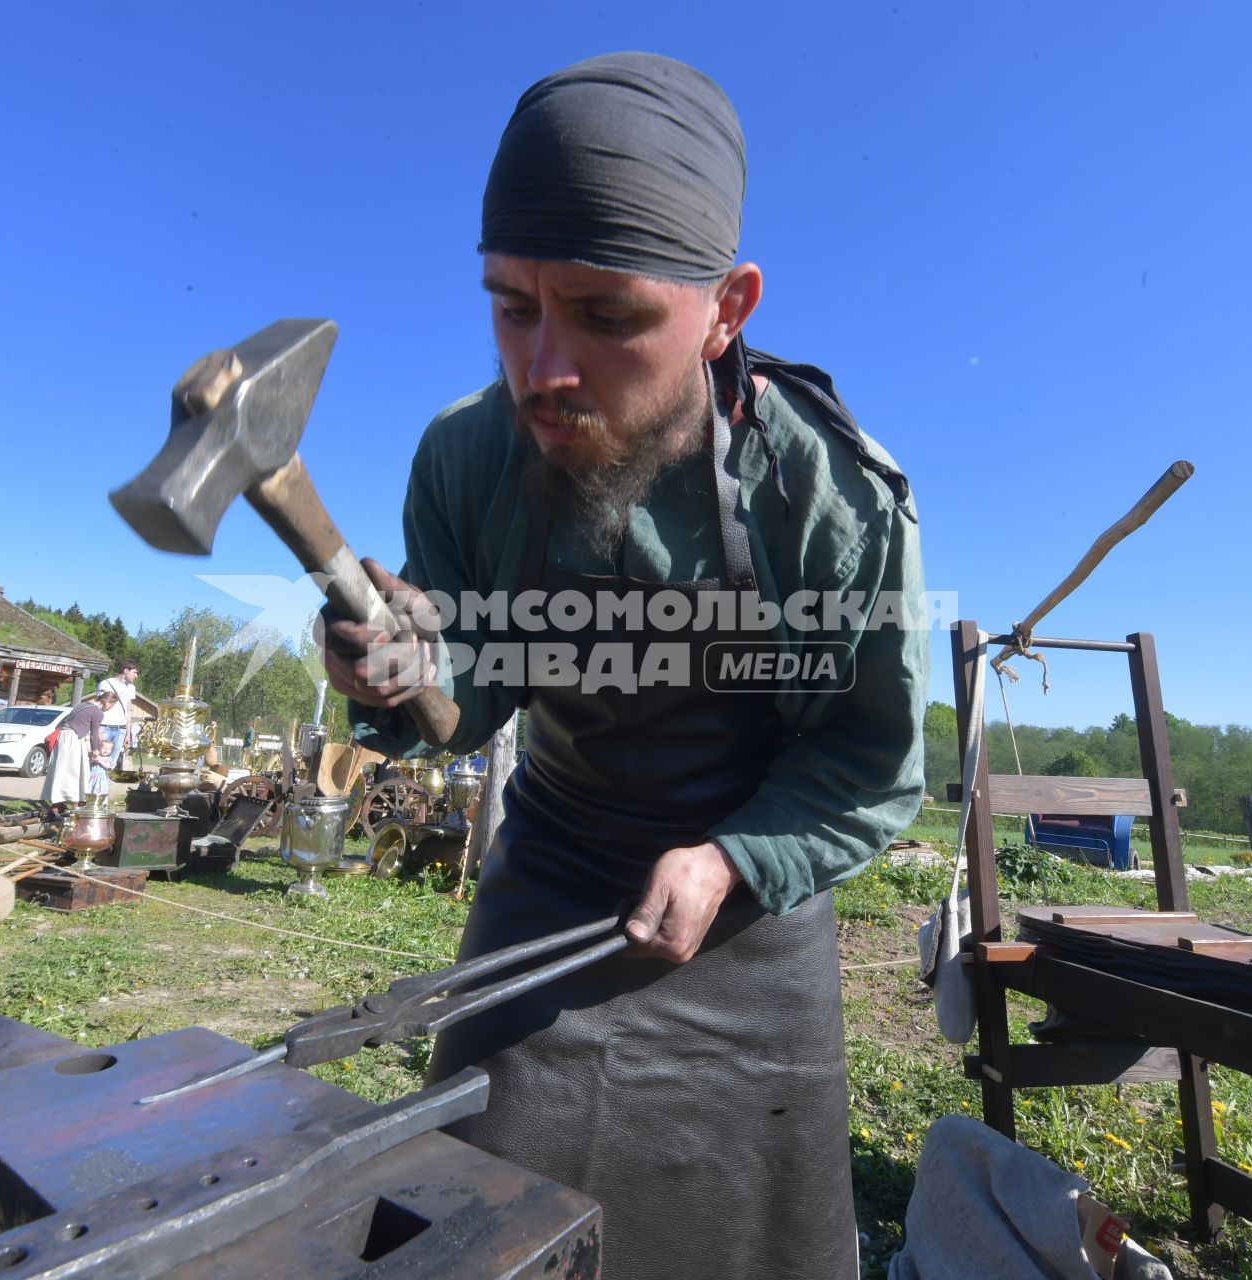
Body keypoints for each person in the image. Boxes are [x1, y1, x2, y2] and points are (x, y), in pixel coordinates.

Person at [321, 54, 926, 1280]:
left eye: (608, 315)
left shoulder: (836, 502)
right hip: (551, 867)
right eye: (512, 305)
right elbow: (474, 683)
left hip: (749, 911)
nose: (545, 367)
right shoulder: (467, 455)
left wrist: (730, 861)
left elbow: (869, 756)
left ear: (726, 309)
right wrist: (400, 670)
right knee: (474, 1218)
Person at [41, 690, 116, 813]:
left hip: (62, 736)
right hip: (72, 738)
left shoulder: (82, 705)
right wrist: (95, 750)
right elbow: (94, 734)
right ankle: (75, 805)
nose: (110, 708)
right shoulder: (98, 712)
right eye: (112, 705)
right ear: (107, 701)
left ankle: (57, 804)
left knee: (60, 770)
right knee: (75, 771)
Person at [96, 659, 142, 770]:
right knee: (98, 759)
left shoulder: (131, 688)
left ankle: (104, 786)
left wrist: (127, 733)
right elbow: (97, 707)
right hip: (104, 726)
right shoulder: (106, 683)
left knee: (111, 763)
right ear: (126, 670)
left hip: (120, 729)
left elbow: (128, 710)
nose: (136, 676)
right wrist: (96, 730)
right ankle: (93, 785)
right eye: (135, 672)